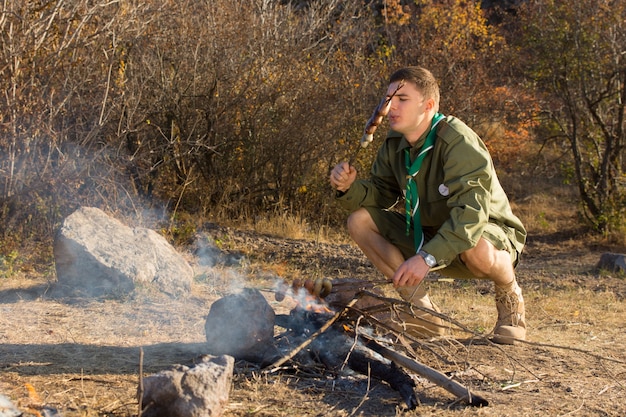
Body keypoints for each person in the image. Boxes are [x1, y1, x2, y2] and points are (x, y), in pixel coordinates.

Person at [329, 66, 527, 344]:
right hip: (430, 232)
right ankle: (424, 314)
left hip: (486, 234)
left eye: (402, 99)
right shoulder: (394, 142)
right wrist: (349, 187)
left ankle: (510, 299)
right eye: (388, 99)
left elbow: (470, 217)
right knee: (359, 221)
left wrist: (427, 258)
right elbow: (383, 193)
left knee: (476, 247)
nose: (390, 107)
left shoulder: (457, 141)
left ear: (429, 105)